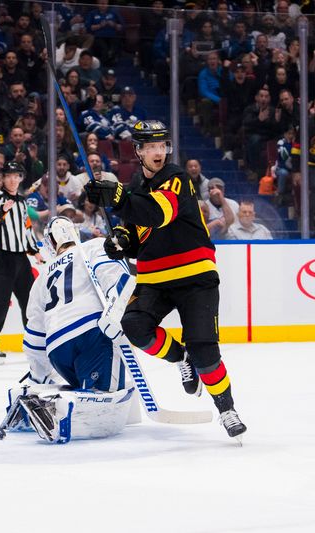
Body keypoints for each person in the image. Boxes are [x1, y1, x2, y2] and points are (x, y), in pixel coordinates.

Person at [83, 120, 247, 441]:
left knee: (205, 351)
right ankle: (180, 357)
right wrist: (119, 239)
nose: (159, 152)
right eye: (152, 147)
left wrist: (118, 199)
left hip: (195, 274)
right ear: (139, 151)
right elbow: (137, 228)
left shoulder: (177, 178)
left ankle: (226, 408)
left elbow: (159, 213)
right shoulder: (135, 188)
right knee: (133, 326)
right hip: (154, 278)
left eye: (163, 146)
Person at [10, 216, 136, 443]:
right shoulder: (95, 246)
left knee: (91, 381)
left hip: (57, 350)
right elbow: (118, 280)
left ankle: (38, 402)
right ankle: (64, 409)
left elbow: (34, 336)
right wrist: (116, 312)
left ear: (50, 243)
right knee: (103, 395)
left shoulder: (42, 277)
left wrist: (37, 379)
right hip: (93, 335)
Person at [0, 162, 38, 365]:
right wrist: (3, 210)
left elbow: (27, 228)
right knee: (0, 302)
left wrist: (35, 252)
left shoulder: (22, 202)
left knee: (30, 303)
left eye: (16, 176)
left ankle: (35, 342)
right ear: (3, 179)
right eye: (9, 176)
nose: (13, 179)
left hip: (21, 257)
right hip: (2, 257)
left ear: (21, 178)